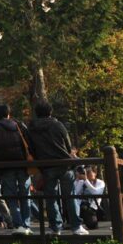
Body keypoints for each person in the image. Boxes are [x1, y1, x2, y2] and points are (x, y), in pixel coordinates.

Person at [30, 101, 86, 236]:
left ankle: (55, 227)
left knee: (51, 197)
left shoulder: (32, 128)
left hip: (46, 165)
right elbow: (67, 144)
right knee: (70, 195)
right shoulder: (57, 124)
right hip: (63, 163)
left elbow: (31, 147)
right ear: (50, 111)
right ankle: (76, 226)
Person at [0, 104, 33, 235]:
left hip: (5, 167)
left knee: (11, 197)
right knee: (25, 195)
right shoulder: (19, 126)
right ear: (9, 113)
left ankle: (18, 224)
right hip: (23, 165)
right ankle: (26, 225)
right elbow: (29, 143)